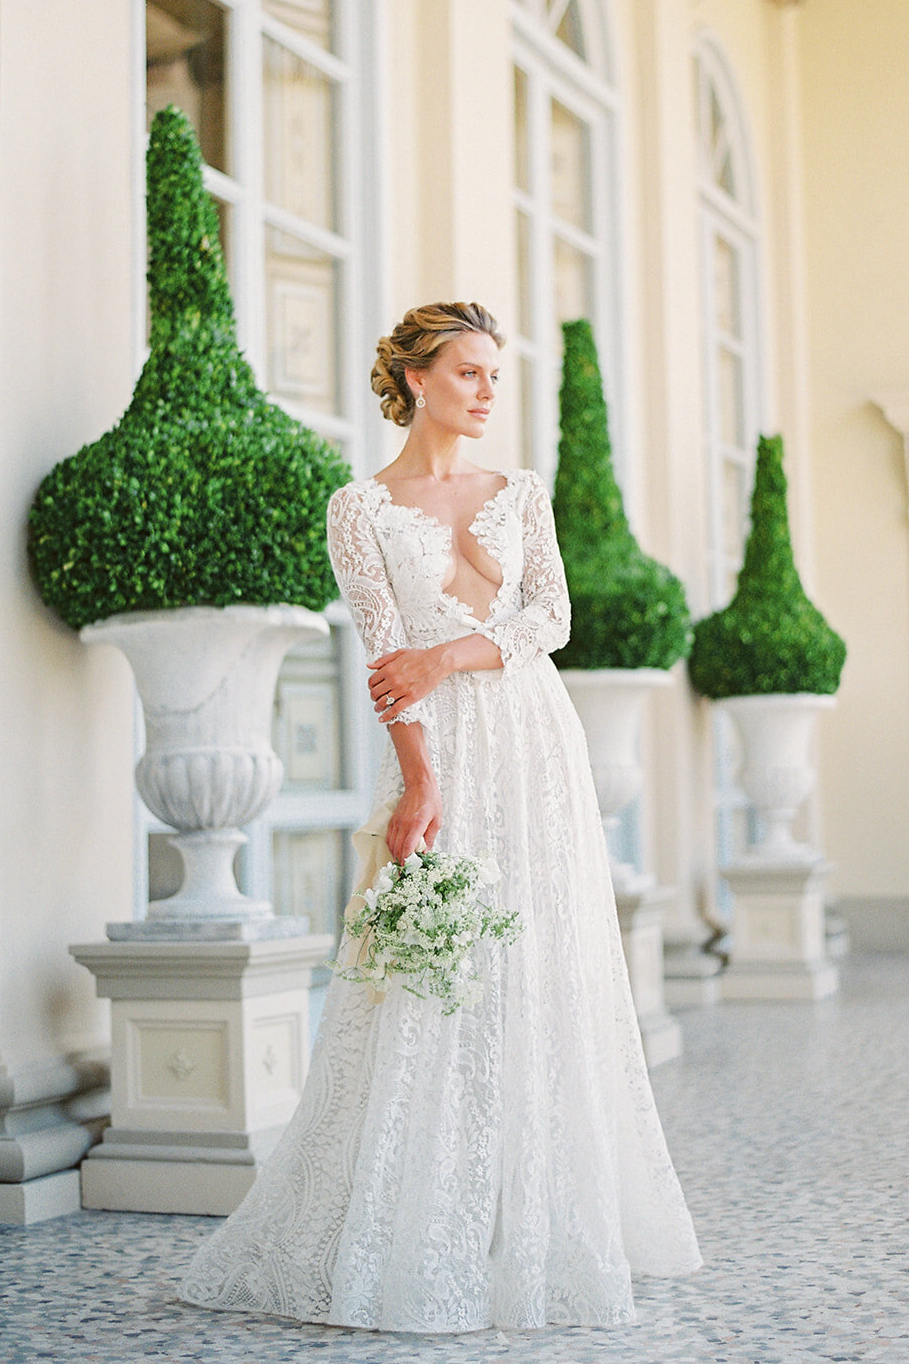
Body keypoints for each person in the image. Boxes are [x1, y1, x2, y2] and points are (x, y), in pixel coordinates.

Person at [179, 302, 701, 1332]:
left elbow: (547, 620)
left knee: (539, 965)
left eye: (494, 376)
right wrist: (418, 782)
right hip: (445, 755)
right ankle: (421, 1216)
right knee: (434, 978)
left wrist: (448, 652)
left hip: (534, 746)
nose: (485, 392)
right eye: (467, 372)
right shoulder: (357, 508)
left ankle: (540, 1212)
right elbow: (383, 658)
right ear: (415, 379)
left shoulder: (521, 492)